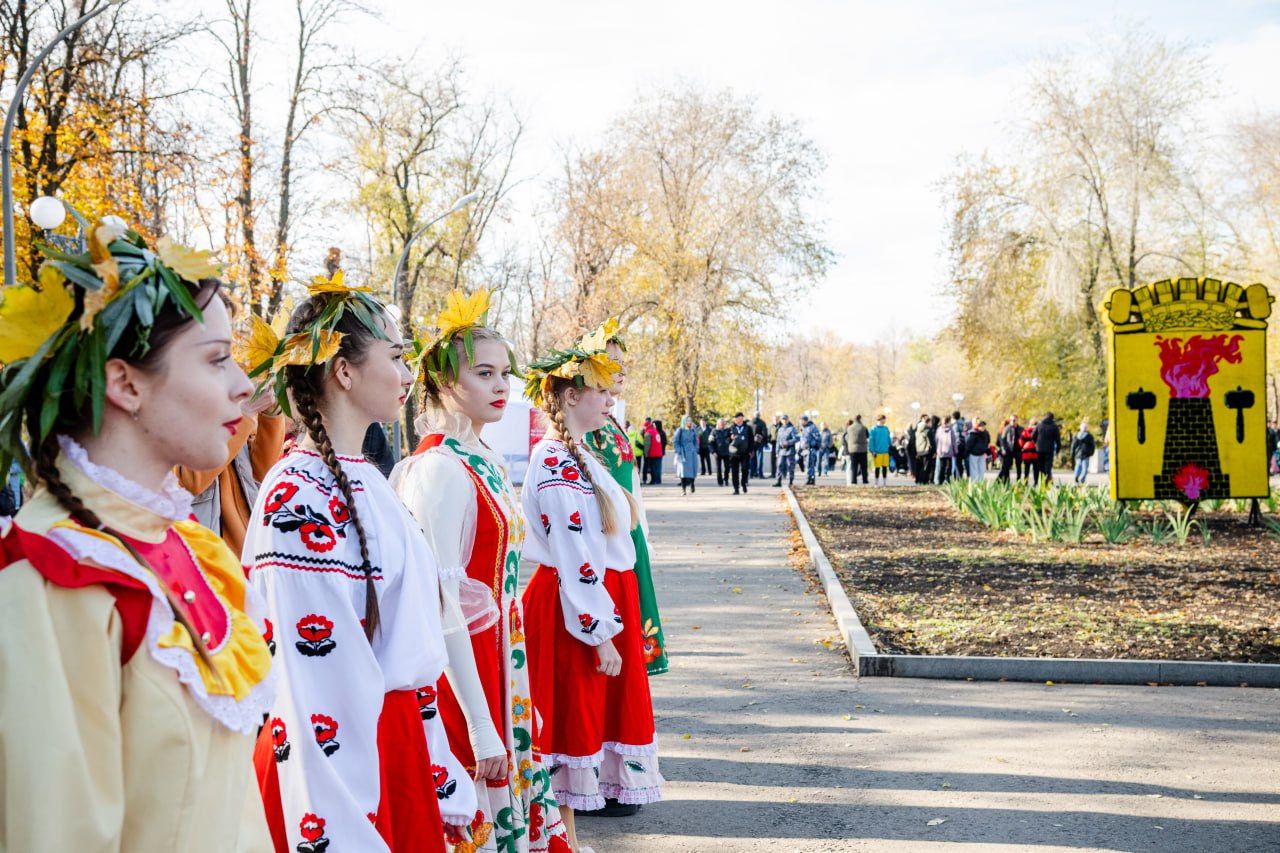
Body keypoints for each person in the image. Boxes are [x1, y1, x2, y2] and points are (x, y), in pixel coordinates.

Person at [0, 220, 274, 850]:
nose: (244, 384)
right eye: (217, 359)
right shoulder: (50, 578)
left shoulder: (187, 545)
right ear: (125, 384)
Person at [243, 274, 475, 852]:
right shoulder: (297, 495)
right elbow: (312, 683)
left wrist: (438, 771)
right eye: (395, 358)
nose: (407, 374)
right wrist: (337, 827)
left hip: (390, 745)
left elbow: (409, 642)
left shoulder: (366, 479)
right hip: (332, 773)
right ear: (344, 372)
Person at [391, 290, 569, 852]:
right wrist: (479, 722)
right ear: (444, 382)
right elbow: (442, 603)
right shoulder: (438, 469)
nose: (501, 386)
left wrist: (517, 694)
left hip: (501, 660)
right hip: (463, 673)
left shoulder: (483, 458)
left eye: (505, 374)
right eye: (485, 373)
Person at [521, 346, 664, 852]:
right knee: (570, 731)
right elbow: (574, 553)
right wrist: (601, 634)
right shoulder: (555, 460)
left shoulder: (579, 454)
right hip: (578, 609)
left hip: (598, 600)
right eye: (600, 391)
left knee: (584, 731)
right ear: (570, 396)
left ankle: (568, 841)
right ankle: (563, 841)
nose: (610, 399)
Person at [580, 320, 670, 684]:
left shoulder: (612, 422)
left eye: (623, 364)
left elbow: (631, 483)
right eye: (612, 363)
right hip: (609, 539)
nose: (622, 371)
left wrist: (642, 531)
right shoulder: (590, 425)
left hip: (629, 534)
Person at [673, 414, 700, 495]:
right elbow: (675, 441)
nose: (689, 422)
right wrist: (678, 450)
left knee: (693, 469)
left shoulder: (693, 430)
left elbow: (696, 441)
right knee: (683, 470)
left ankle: (692, 485)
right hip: (683, 452)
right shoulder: (680, 430)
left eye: (690, 421)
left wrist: (695, 449)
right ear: (684, 421)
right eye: (688, 421)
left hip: (692, 452)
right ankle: (683, 489)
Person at [727, 412, 753, 494]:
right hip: (734, 453)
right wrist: (730, 438)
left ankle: (743, 483)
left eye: (737, 417)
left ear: (741, 418)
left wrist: (751, 450)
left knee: (745, 469)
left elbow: (751, 440)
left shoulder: (748, 428)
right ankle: (736, 488)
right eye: (735, 418)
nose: (735, 419)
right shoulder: (731, 428)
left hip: (745, 453)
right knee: (734, 472)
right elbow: (727, 440)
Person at [1035, 412, 1061, 485]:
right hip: (1049, 449)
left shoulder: (1039, 425)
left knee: (1040, 466)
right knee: (1048, 467)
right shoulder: (1054, 426)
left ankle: (1041, 481)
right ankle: (1048, 481)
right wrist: (1058, 449)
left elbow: (1033, 436)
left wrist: (1036, 443)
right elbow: (1057, 439)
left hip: (1039, 449)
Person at [773, 415, 799, 487]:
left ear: (788, 420)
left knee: (790, 466)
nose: (784, 421)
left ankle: (791, 481)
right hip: (781, 451)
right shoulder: (780, 429)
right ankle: (778, 481)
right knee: (779, 465)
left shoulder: (792, 428)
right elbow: (778, 441)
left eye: (785, 419)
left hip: (789, 450)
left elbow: (796, 438)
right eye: (783, 419)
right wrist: (777, 452)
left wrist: (789, 442)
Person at [845, 415, 869, 485]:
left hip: (852, 450)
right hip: (862, 449)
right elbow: (867, 436)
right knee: (864, 467)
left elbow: (847, 437)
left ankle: (853, 481)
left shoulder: (849, 428)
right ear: (860, 419)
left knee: (854, 467)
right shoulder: (864, 427)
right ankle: (865, 480)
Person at [868, 415, 892, 484]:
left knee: (885, 467)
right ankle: (876, 482)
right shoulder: (873, 429)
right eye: (883, 419)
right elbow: (871, 441)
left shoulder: (886, 428)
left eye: (885, 419)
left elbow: (889, 439)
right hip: (877, 452)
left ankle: (884, 482)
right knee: (877, 468)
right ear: (879, 420)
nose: (885, 421)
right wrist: (872, 451)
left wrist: (891, 447)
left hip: (886, 451)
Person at [1071, 419, 1095, 485]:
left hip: (1078, 454)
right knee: (1085, 468)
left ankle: (1076, 476)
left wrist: (1072, 453)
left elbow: (1073, 445)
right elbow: (1092, 445)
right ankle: (1082, 480)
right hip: (1086, 454)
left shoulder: (1076, 435)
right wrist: (1091, 453)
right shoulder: (1089, 436)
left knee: (1078, 466)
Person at [799, 415, 821, 485]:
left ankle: (810, 479)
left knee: (810, 465)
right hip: (805, 450)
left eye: (801, 421)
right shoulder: (803, 428)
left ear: (805, 421)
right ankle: (810, 479)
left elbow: (818, 438)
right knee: (808, 465)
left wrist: (813, 445)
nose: (800, 422)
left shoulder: (812, 427)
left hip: (810, 449)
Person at [934, 415, 955, 484]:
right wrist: (955, 451)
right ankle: (948, 480)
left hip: (941, 452)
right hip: (949, 452)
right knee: (949, 467)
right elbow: (954, 441)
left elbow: (936, 440)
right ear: (949, 421)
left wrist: (937, 450)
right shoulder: (951, 430)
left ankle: (940, 480)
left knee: (941, 467)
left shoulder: (939, 430)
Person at [642, 418, 664, 485]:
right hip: (658, 453)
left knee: (652, 467)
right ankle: (657, 480)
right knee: (657, 467)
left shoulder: (648, 433)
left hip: (652, 453)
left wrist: (645, 452)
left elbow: (647, 444)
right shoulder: (655, 431)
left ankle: (653, 480)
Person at [1021, 418, 1040, 485]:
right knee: (1036, 469)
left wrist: (1023, 447)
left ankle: (1025, 483)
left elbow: (1021, 441)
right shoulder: (1038, 431)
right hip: (1035, 453)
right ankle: (1036, 482)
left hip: (1026, 453)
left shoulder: (1025, 431)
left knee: (1026, 469)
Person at [712, 418, 731, 486]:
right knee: (718, 468)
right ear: (718, 424)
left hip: (726, 452)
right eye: (721, 424)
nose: (722, 425)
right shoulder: (714, 431)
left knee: (727, 467)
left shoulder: (728, 431)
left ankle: (726, 479)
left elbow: (732, 439)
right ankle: (720, 482)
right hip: (717, 453)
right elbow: (710, 442)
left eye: (723, 423)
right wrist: (713, 451)